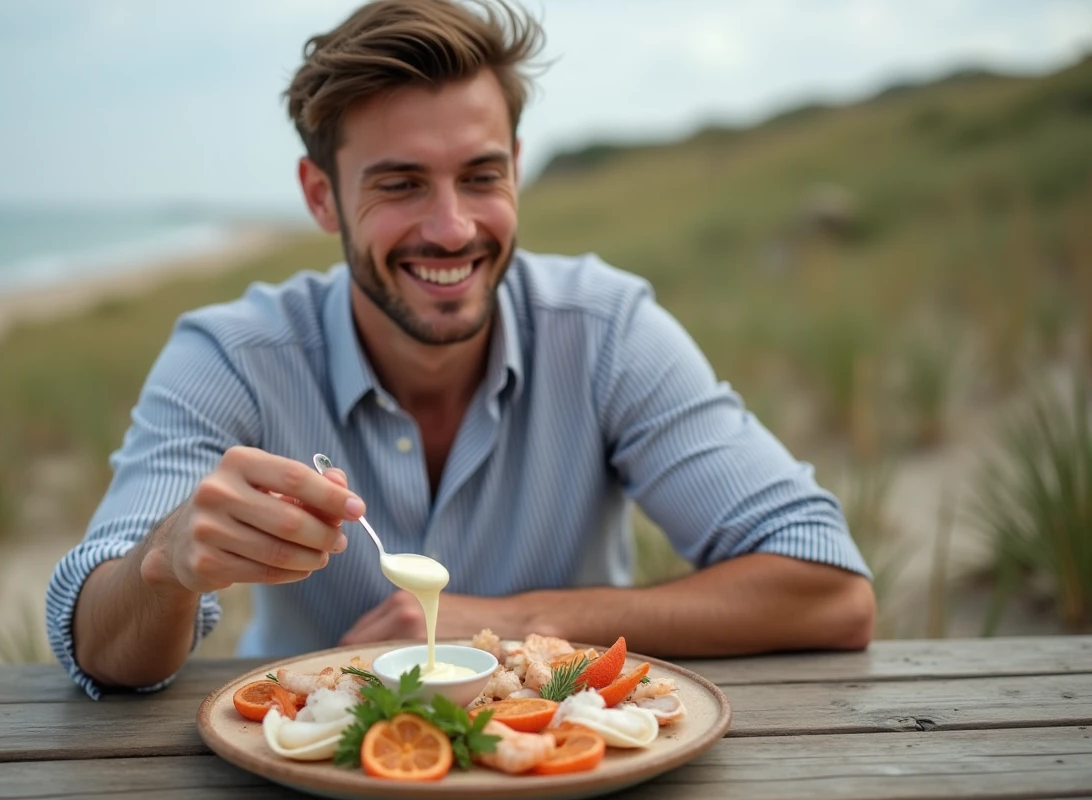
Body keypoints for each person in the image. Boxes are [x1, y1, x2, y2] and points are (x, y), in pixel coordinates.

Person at [46, 0, 875, 699]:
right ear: (320, 196)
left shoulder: (608, 328)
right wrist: (166, 566)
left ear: (517, 168)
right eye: (401, 184)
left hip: (570, 759)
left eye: (481, 176)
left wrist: (515, 622)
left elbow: (832, 594)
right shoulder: (231, 356)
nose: (452, 229)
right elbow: (96, 647)